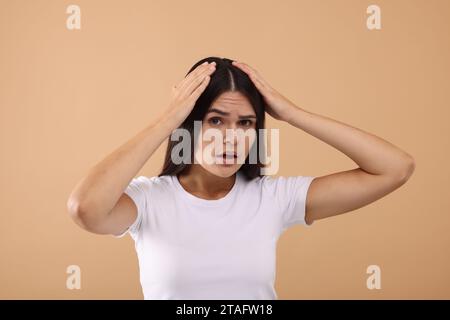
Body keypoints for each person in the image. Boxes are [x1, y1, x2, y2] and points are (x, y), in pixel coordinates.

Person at [67, 57, 415, 299]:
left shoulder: (273, 198)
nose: (231, 137)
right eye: (215, 120)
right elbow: (85, 208)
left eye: (245, 123)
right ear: (188, 123)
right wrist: (166, 120)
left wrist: (293, 113)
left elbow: (395, 168)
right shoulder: (148, 200)